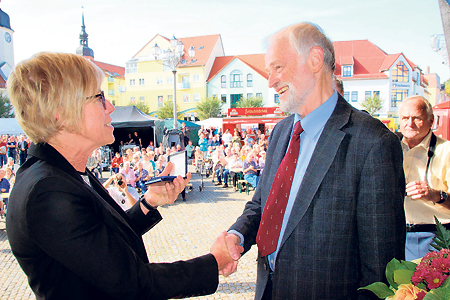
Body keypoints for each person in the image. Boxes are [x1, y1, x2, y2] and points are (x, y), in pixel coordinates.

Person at [6, 52, 238, 300]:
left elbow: (102, 243)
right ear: (60, 114)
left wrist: (149, 202)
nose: (110, 107)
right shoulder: (48, 191)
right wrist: (213, 263)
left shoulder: (65, 172)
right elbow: (129, 281)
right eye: (99, 97)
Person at [221, 23, 405, 299]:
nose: (270, 81)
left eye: (278, 68)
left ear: (315, 60)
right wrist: (236, 235)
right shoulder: (282, 131)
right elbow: (261, 204)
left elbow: (380, 275)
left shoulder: (373, 143)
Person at [398, 96, 450, 261]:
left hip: (434, 237)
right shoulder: (390, 147)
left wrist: (434, 195)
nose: (410, 124)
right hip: (394, 234)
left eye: (417, 118)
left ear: (431, 121)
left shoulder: (446, 151)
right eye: (405, 118)